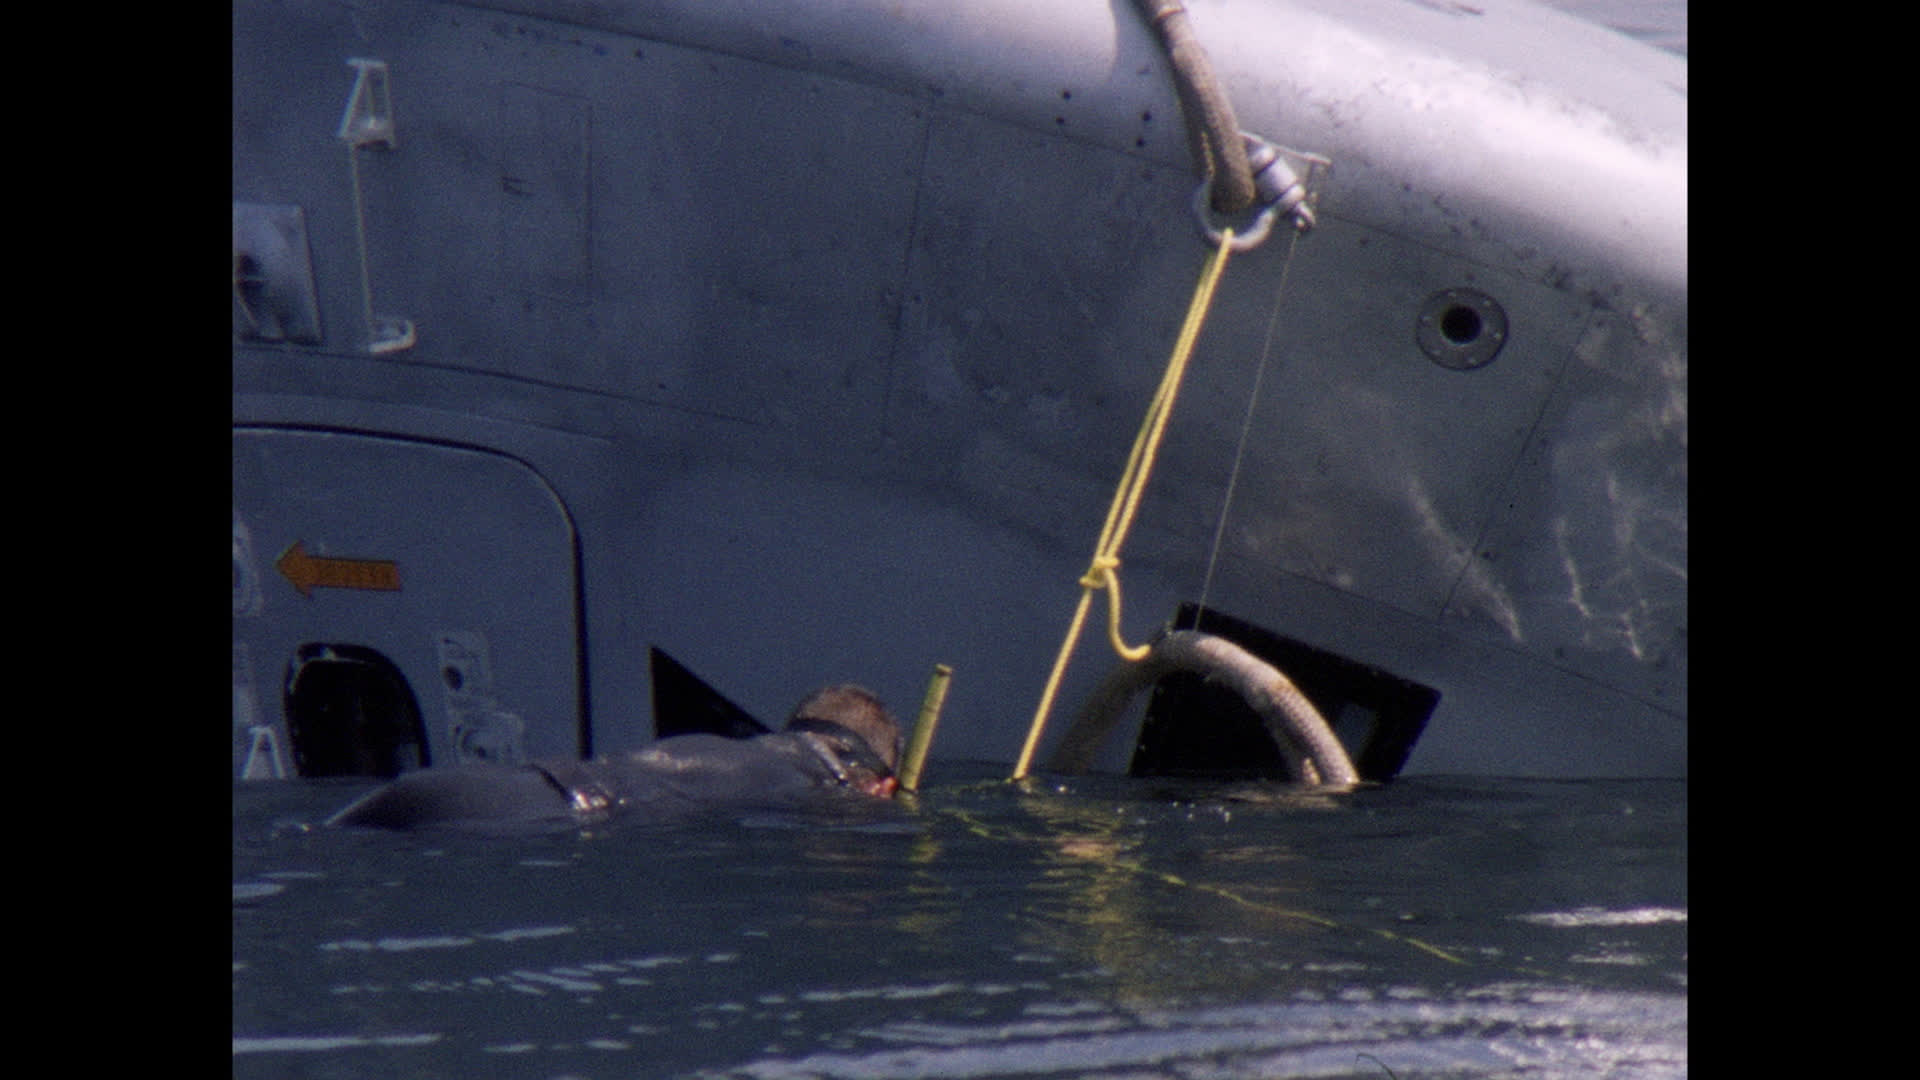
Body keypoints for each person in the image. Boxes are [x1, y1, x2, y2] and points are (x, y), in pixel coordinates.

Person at [329, 684, 901, 830]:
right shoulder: (819, 793)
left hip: (485, 788)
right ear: (874, 777)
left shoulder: (752, 752)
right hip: (542, 817)